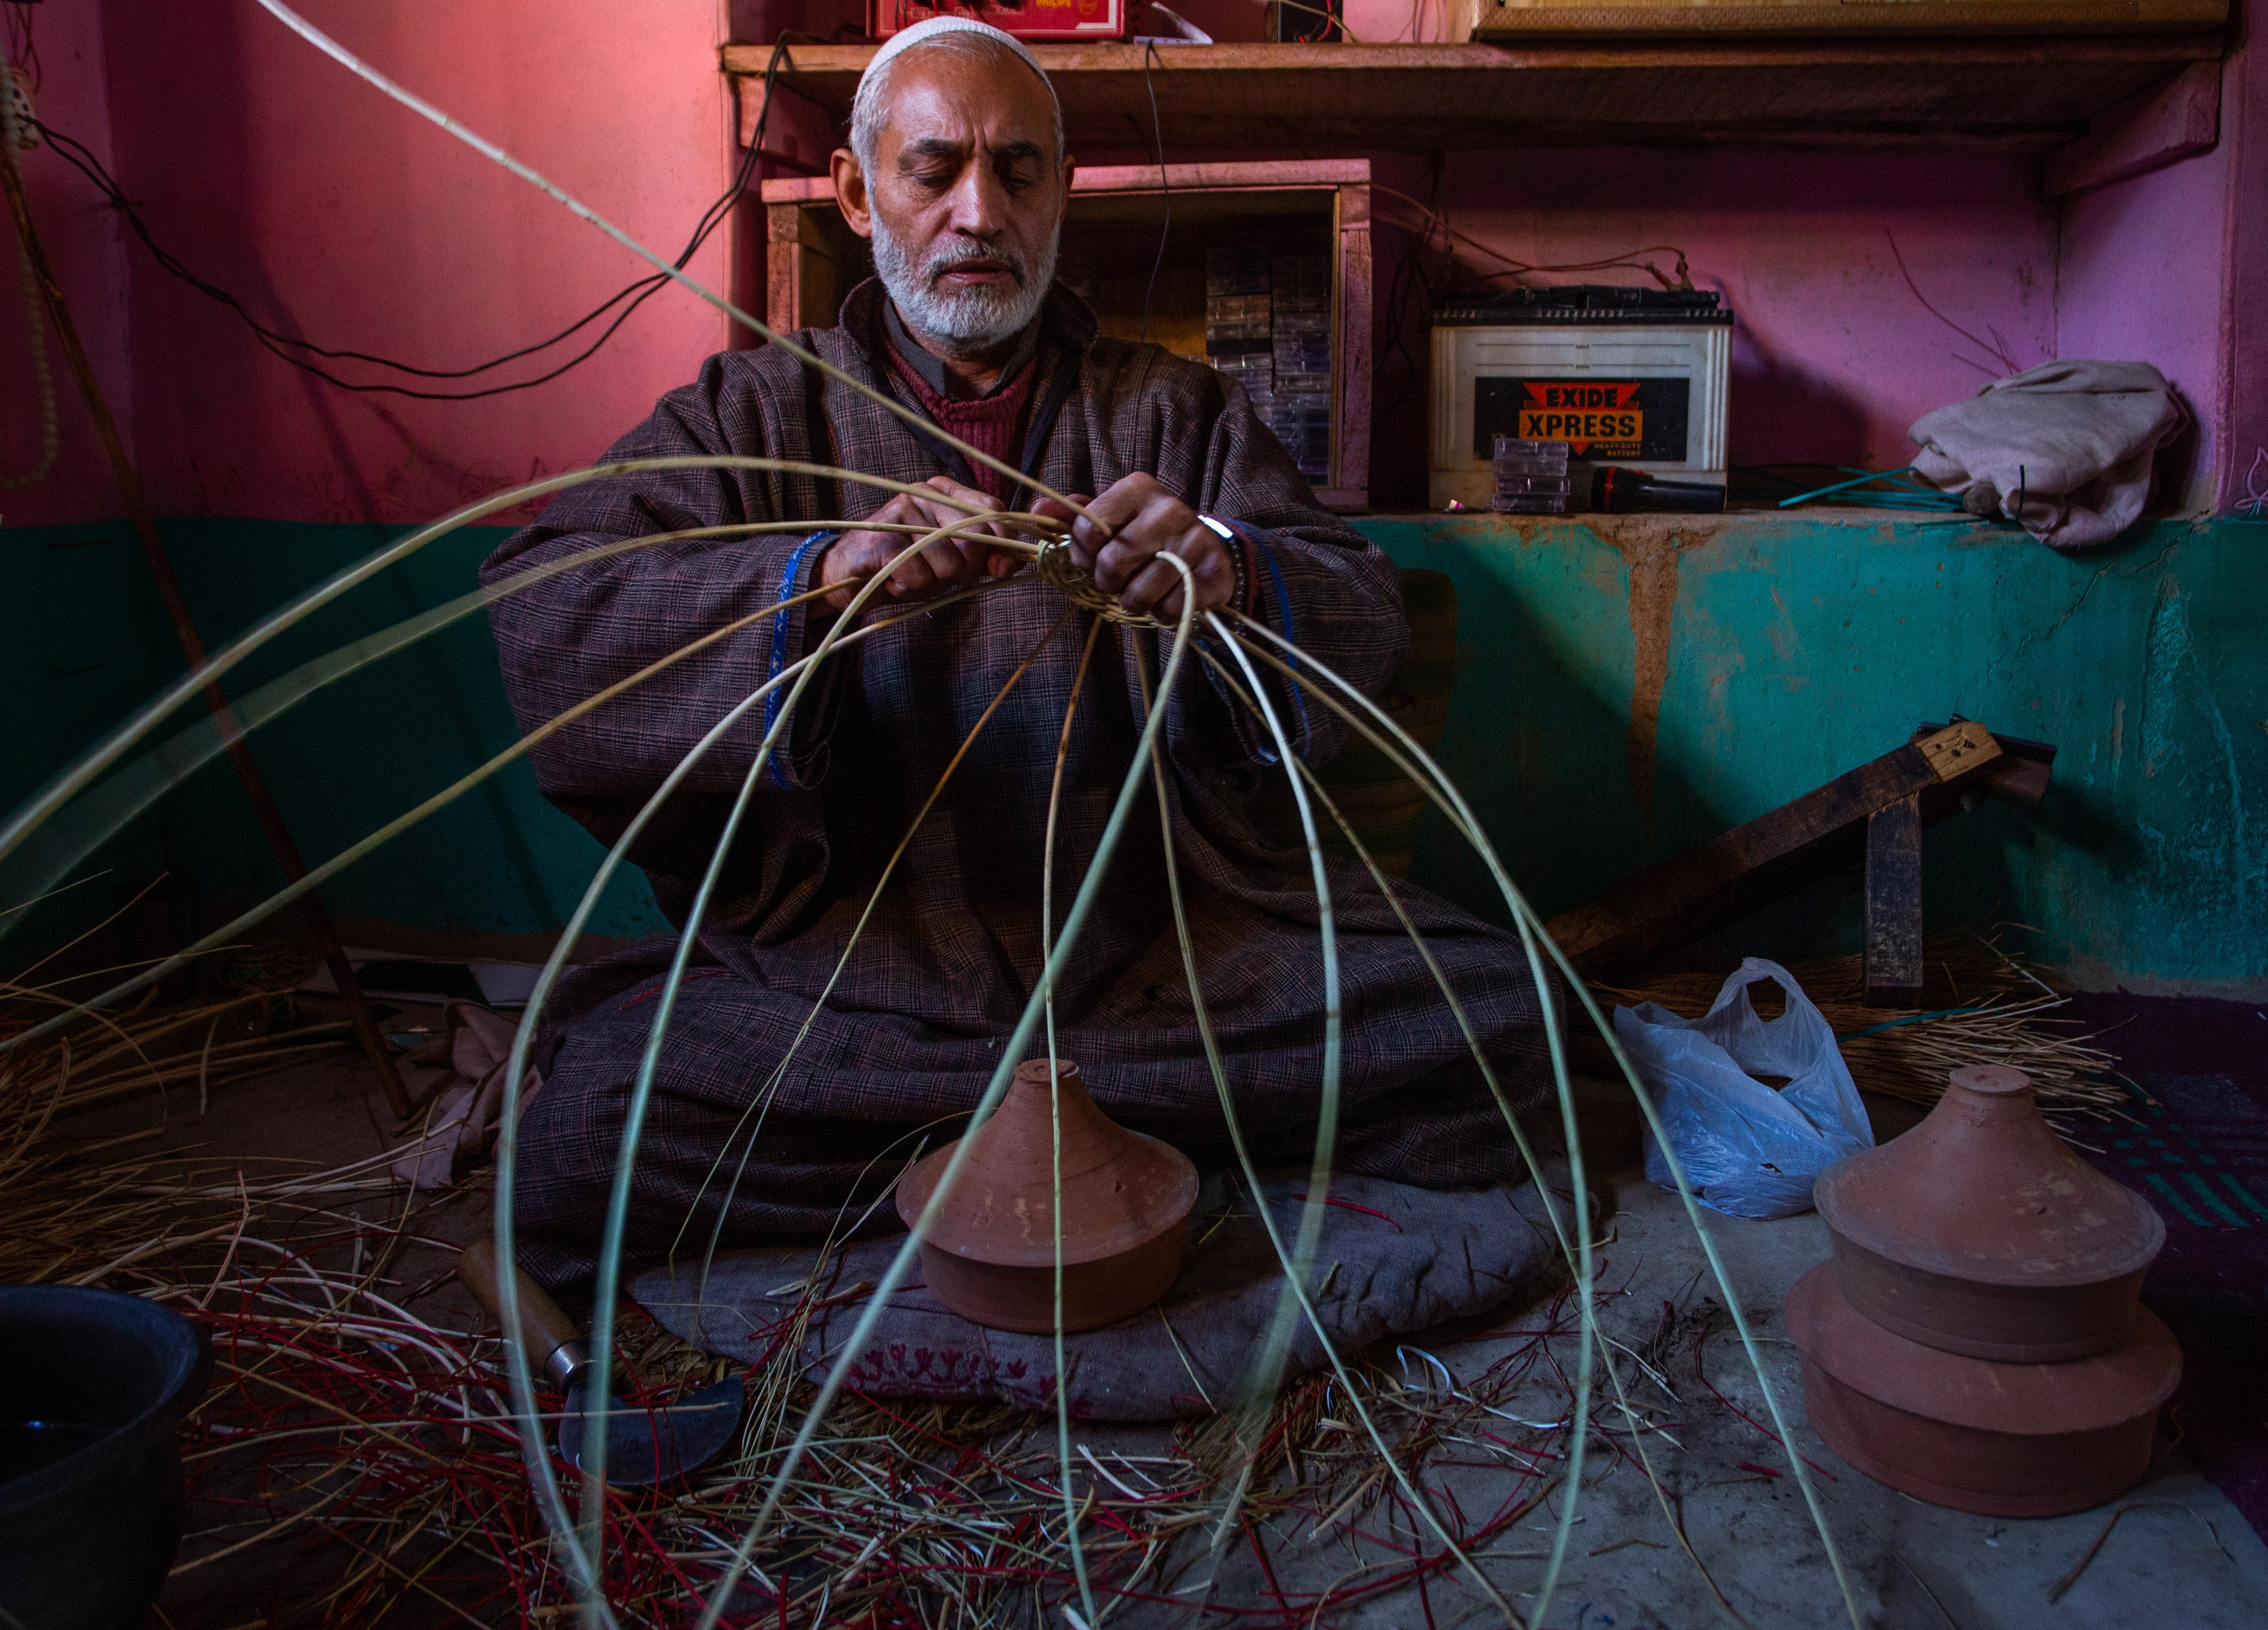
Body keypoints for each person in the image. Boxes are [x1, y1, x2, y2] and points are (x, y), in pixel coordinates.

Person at [480, 18, 1551, 1298]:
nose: (979, 212)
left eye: (1021, 171)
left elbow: (1358, 606)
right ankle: (1103, 1150)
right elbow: (552, 607)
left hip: (1172, 953)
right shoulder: (754, 411)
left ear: (1062, 193)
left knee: (1507, 1022)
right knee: (595, 1127)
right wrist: (813, 585)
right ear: (857, 192)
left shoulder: (1170, 410)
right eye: (935, 170)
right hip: (856, 976)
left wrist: (1227, 569)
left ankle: (981, 1156)